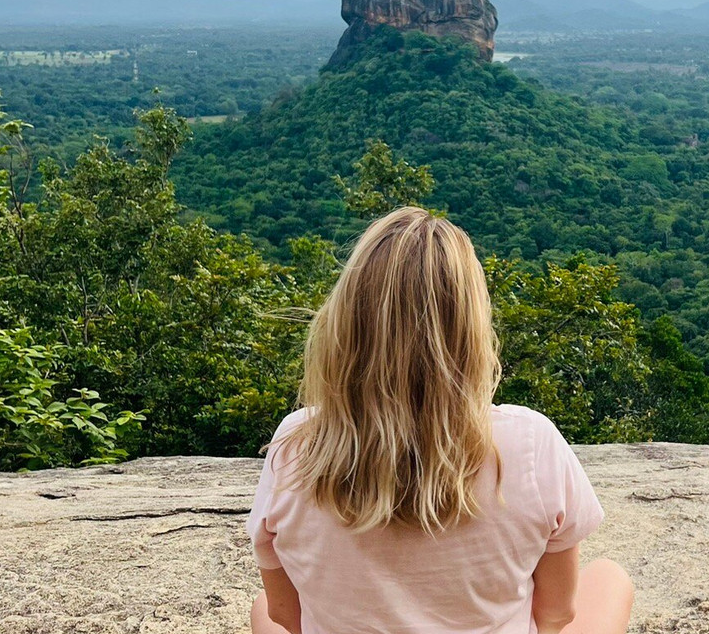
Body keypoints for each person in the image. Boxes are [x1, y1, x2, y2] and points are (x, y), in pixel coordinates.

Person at [247, 206, 634, 634]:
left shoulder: (296, 447)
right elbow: (556, 616)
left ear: (346, 326)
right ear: (470, 329)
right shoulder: (531, 443)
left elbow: (288, 617)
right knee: (611, 579)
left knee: (263, 607)